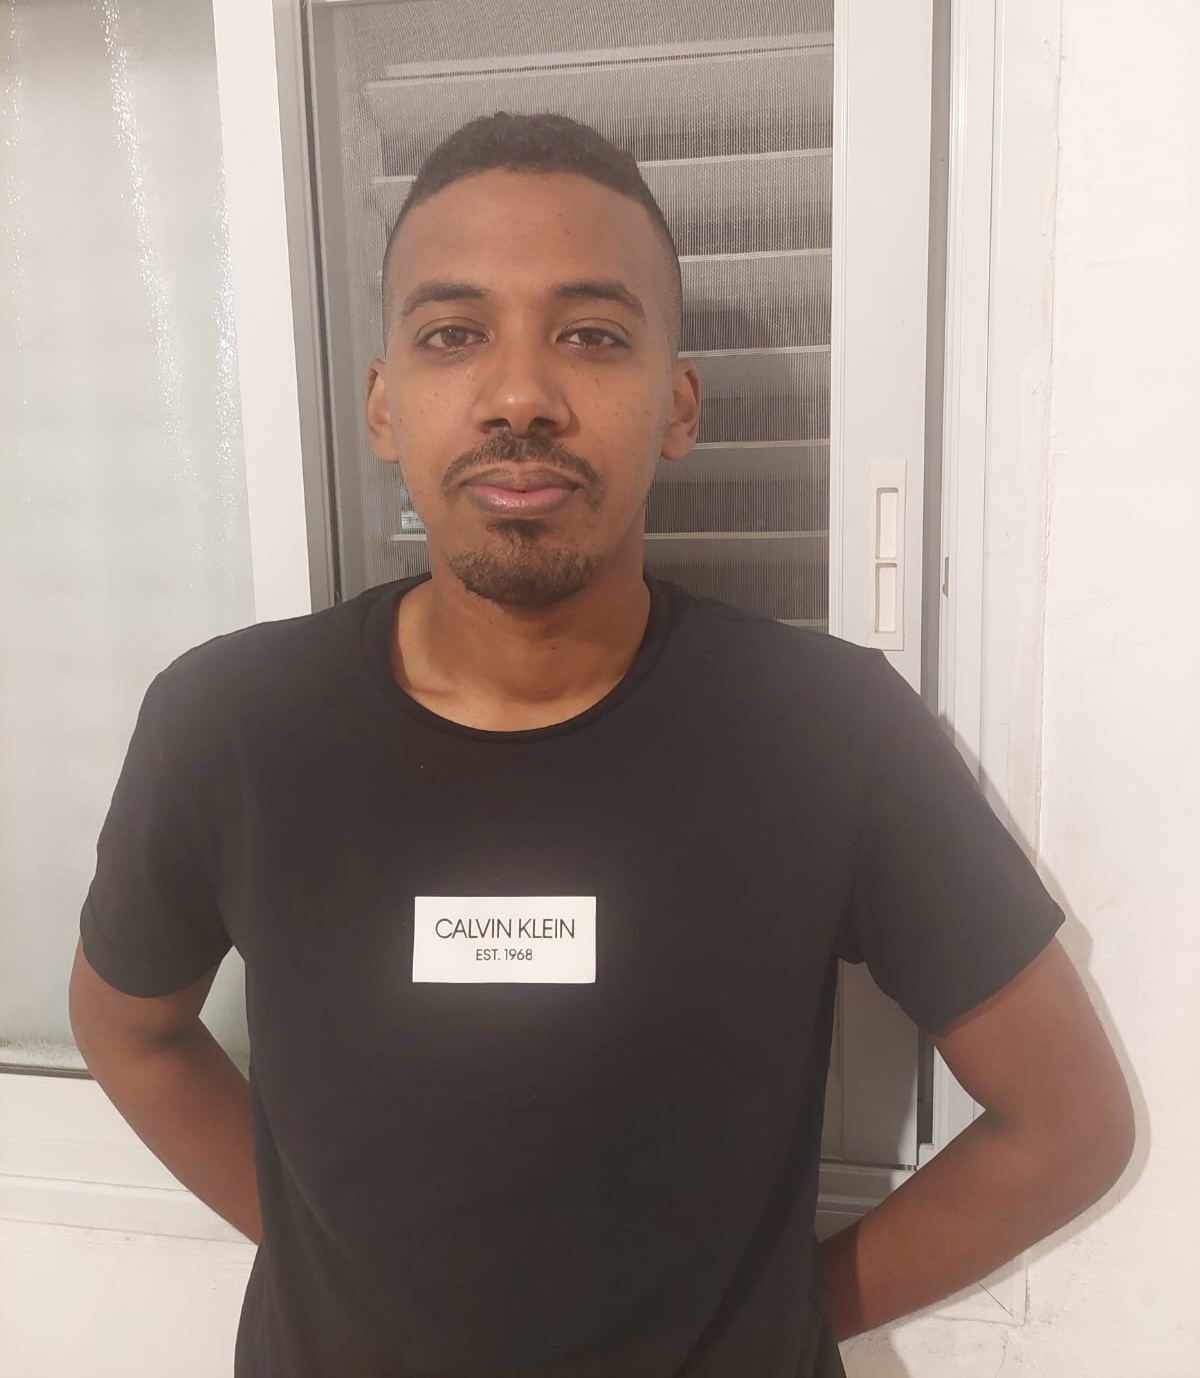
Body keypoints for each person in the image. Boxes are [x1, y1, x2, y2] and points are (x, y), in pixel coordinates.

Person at [68, 113, 1134, 1378]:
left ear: (677, 406)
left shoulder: (827, 731)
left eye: (591, 334)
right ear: (383, 405)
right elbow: (128, 1029)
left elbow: (1067, 1125)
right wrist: (322, 1261)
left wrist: (777, 1319)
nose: (521, 395)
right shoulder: (230, 725)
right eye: (454, 334)